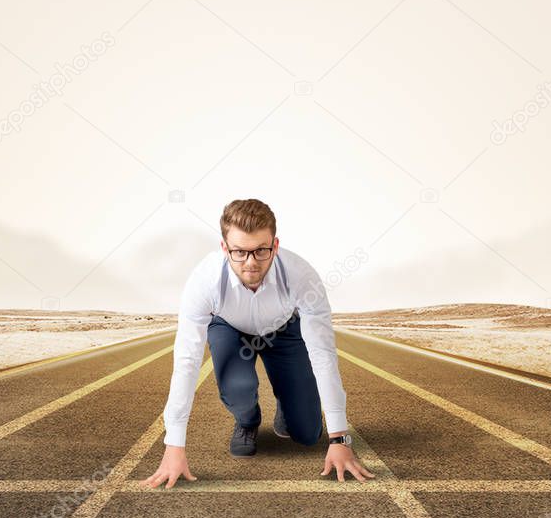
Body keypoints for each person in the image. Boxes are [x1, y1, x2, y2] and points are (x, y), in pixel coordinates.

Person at [141, 198, 375, 489]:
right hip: (230, 328)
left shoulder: (302, 277)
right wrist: (173, 446)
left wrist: (340, 439)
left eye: (261, 251)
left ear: (275, 246)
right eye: (239, 252)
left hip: (284, 330)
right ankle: (248, 420)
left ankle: (286, 402)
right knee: (239, 388)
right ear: (224, 249)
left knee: (307, 433)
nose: (250, 262)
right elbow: (187, 360)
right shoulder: (204, 281)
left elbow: (323, 353)